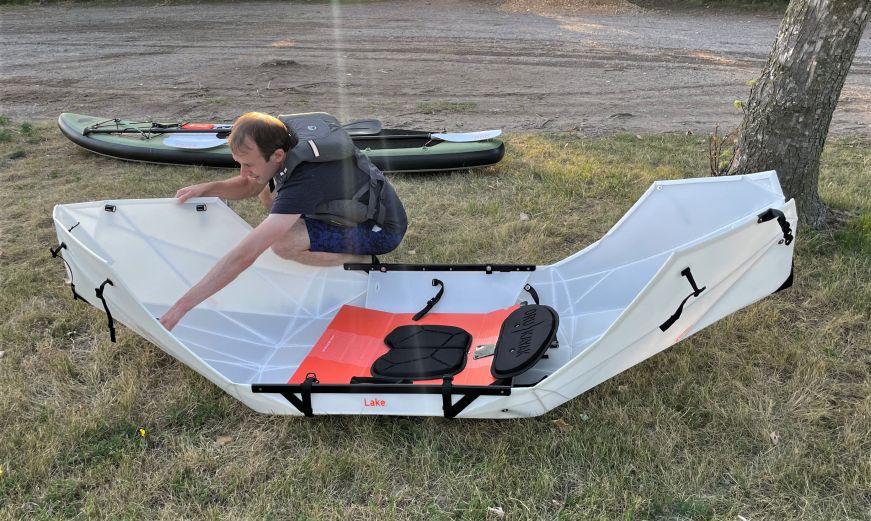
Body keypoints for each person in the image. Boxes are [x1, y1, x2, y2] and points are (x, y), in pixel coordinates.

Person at [159, 112, 407, 331]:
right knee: (266, 189)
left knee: (282, 243)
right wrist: (209, 188)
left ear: (278, 155)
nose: (244, 172)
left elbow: (243, 256)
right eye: (239, 164)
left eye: (248, 164)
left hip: (381, 230)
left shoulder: (306, 181)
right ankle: (301, 225)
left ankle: (360, 259)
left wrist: (180, 308)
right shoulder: (282, 137)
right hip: (345, 208)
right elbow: (250, 184)